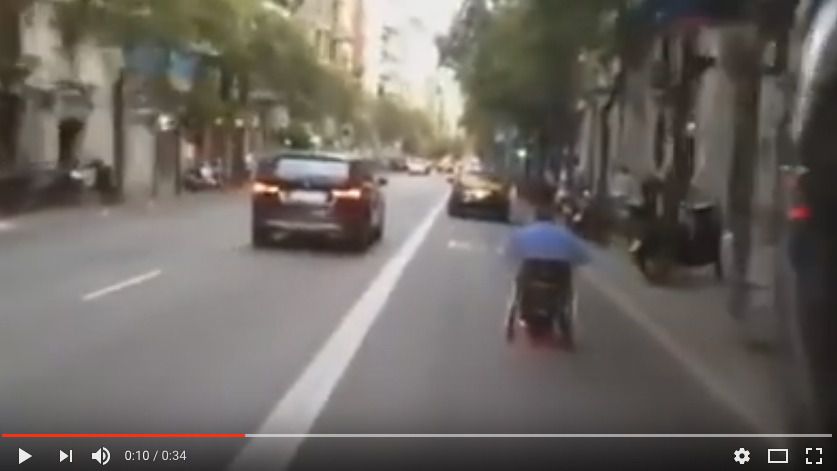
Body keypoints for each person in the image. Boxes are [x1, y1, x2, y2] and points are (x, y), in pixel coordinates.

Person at [504, 188, 591, 339]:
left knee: (518, 286)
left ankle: (510, 322)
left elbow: (510, 251)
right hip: (557, 275)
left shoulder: (526, 232)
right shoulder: (564, 234)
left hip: (532, 273)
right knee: (567, 292)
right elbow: (583, 256)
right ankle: (567, 326)